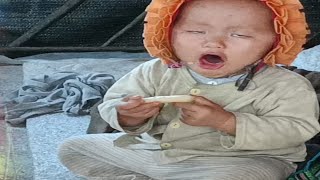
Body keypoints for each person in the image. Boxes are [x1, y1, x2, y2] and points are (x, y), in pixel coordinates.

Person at [58, 0, 320, 179]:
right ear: (167, 33)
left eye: (239, 35)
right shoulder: (156, 71)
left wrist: (228, 122)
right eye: (195, 31)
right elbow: (113, 101)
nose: (214, 42)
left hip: (241, 161)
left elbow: (297, 129)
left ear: (274, 43)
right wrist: (128, 115)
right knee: (72, 148)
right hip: (154, 153)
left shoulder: (285, 86)